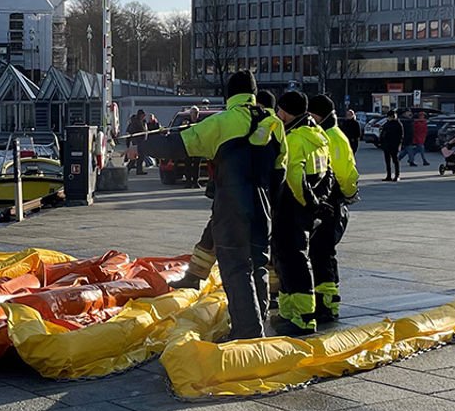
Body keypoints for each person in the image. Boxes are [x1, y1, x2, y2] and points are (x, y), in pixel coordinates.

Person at [141, 70, 279, 339]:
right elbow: (280, 170)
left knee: (236, 268)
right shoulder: (273, 124)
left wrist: (143, 147)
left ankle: (248, 332)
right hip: (263, 204)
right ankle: (258, 322)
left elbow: (178, 145)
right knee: (258, 264)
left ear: (229, 94)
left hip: (232, 204)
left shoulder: (223, 122)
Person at [270, 90, 332, 335]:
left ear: (284, 111)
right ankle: (289, 313)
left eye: (279, 111)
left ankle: (304, 317)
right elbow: (329, 173)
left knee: (293, 261)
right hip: (308, 208)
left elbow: (294, 177)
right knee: (289, 261)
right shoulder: (318, 134)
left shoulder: (294, 139)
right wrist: (318, 201)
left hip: (292, 208)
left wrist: (306, 202)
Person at [307, 94, 359, 323]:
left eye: (312, 113)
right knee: (319, 253)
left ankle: (327, 304)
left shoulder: (332, 137)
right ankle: (323, 300)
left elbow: (345, 173)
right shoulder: (326, 134)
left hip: (331, 202)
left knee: (323, 253)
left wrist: (346, 195)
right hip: (328, 201)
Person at [379, 109, 403, 181]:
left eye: (390, 117)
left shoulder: (398, 124)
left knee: (395, 161)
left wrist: (398, 144)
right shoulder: (386, 124)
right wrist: (381, 142)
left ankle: (397, 175)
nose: (389, 118)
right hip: (386, 145)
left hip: (394, 145)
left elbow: (401, 135)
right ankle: (388, 176)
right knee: (387, 161)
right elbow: (383, 133)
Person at [127, 109, 147, 174]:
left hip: (140, 141)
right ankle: (127, 169)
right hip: (137, 141)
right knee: (136, 156)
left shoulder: (141, 121)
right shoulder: (136, 122)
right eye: (143, 115)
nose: (144, 117)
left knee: (140, 156)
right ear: (140, 115)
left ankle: (139, 170)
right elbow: (140, 130)